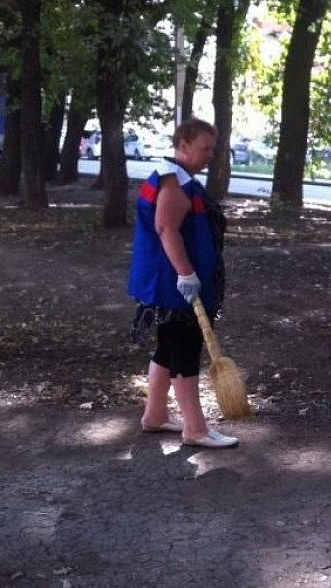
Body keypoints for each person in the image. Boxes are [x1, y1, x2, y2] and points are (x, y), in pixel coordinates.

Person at [128, 118, 238, 449]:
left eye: (213, 149)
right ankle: (195, 429)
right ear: (183, 146)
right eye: (205, 149)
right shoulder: (173, 182)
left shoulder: (175, 177)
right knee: (185, 353)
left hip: (166, 284)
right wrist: (186, 274)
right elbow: (166, 228)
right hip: (174, 288)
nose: (210, 156)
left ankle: (155, 416)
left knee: (167, 350)